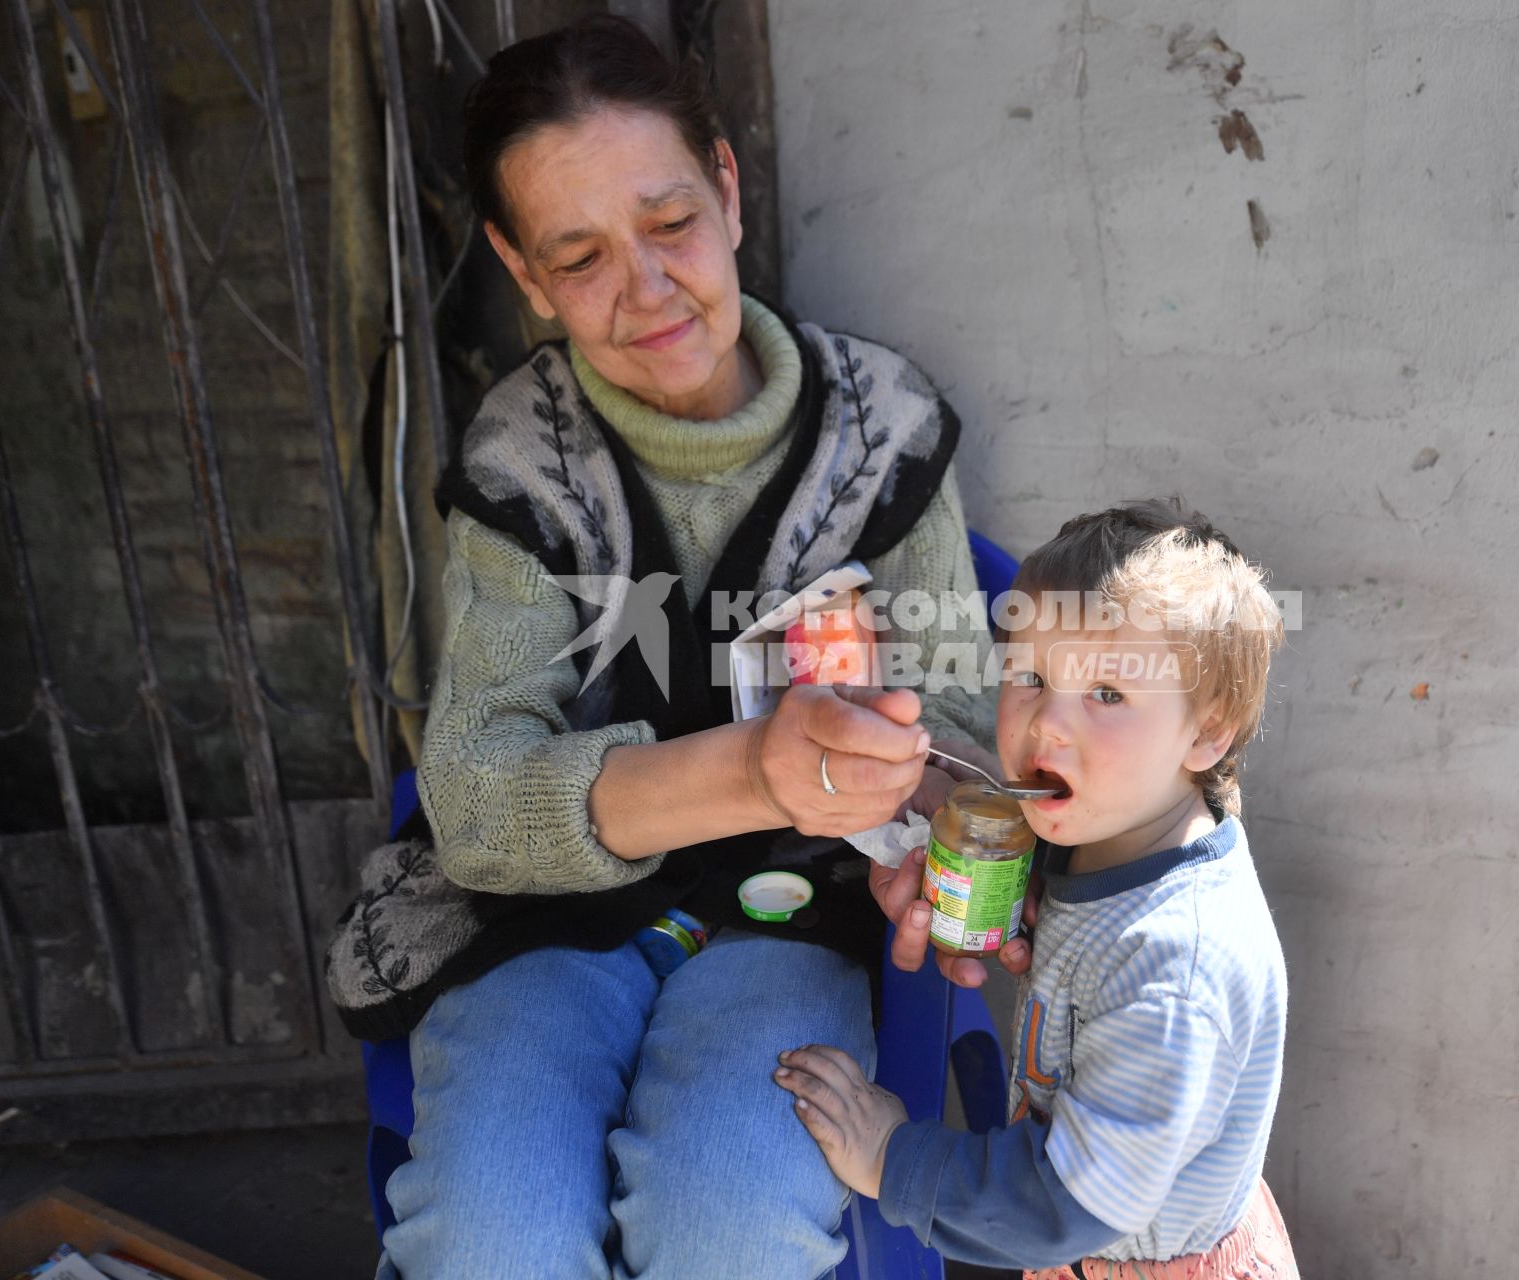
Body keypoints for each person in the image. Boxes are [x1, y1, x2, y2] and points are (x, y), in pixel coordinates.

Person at [327, 16, 1015, 1278]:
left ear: (730, 188)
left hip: (799, 920)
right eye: (578, 256)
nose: (644, 289)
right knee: (490, 1238)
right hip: (536, 924)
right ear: (519, 270)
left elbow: (963, 731)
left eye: (670, 224)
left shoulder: (883, 433)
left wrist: (929, 823)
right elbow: (476, 798)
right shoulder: (523, 461)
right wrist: (749, 768)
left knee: (731, 1228)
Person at [775, 499, 1301, 1279]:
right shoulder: (1133, 818)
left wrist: (889, 1156)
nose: (1046, 725)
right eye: (1030, 675)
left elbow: (1065, 1207)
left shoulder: (1173, 972)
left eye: (1109, 695)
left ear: (1207, 733)